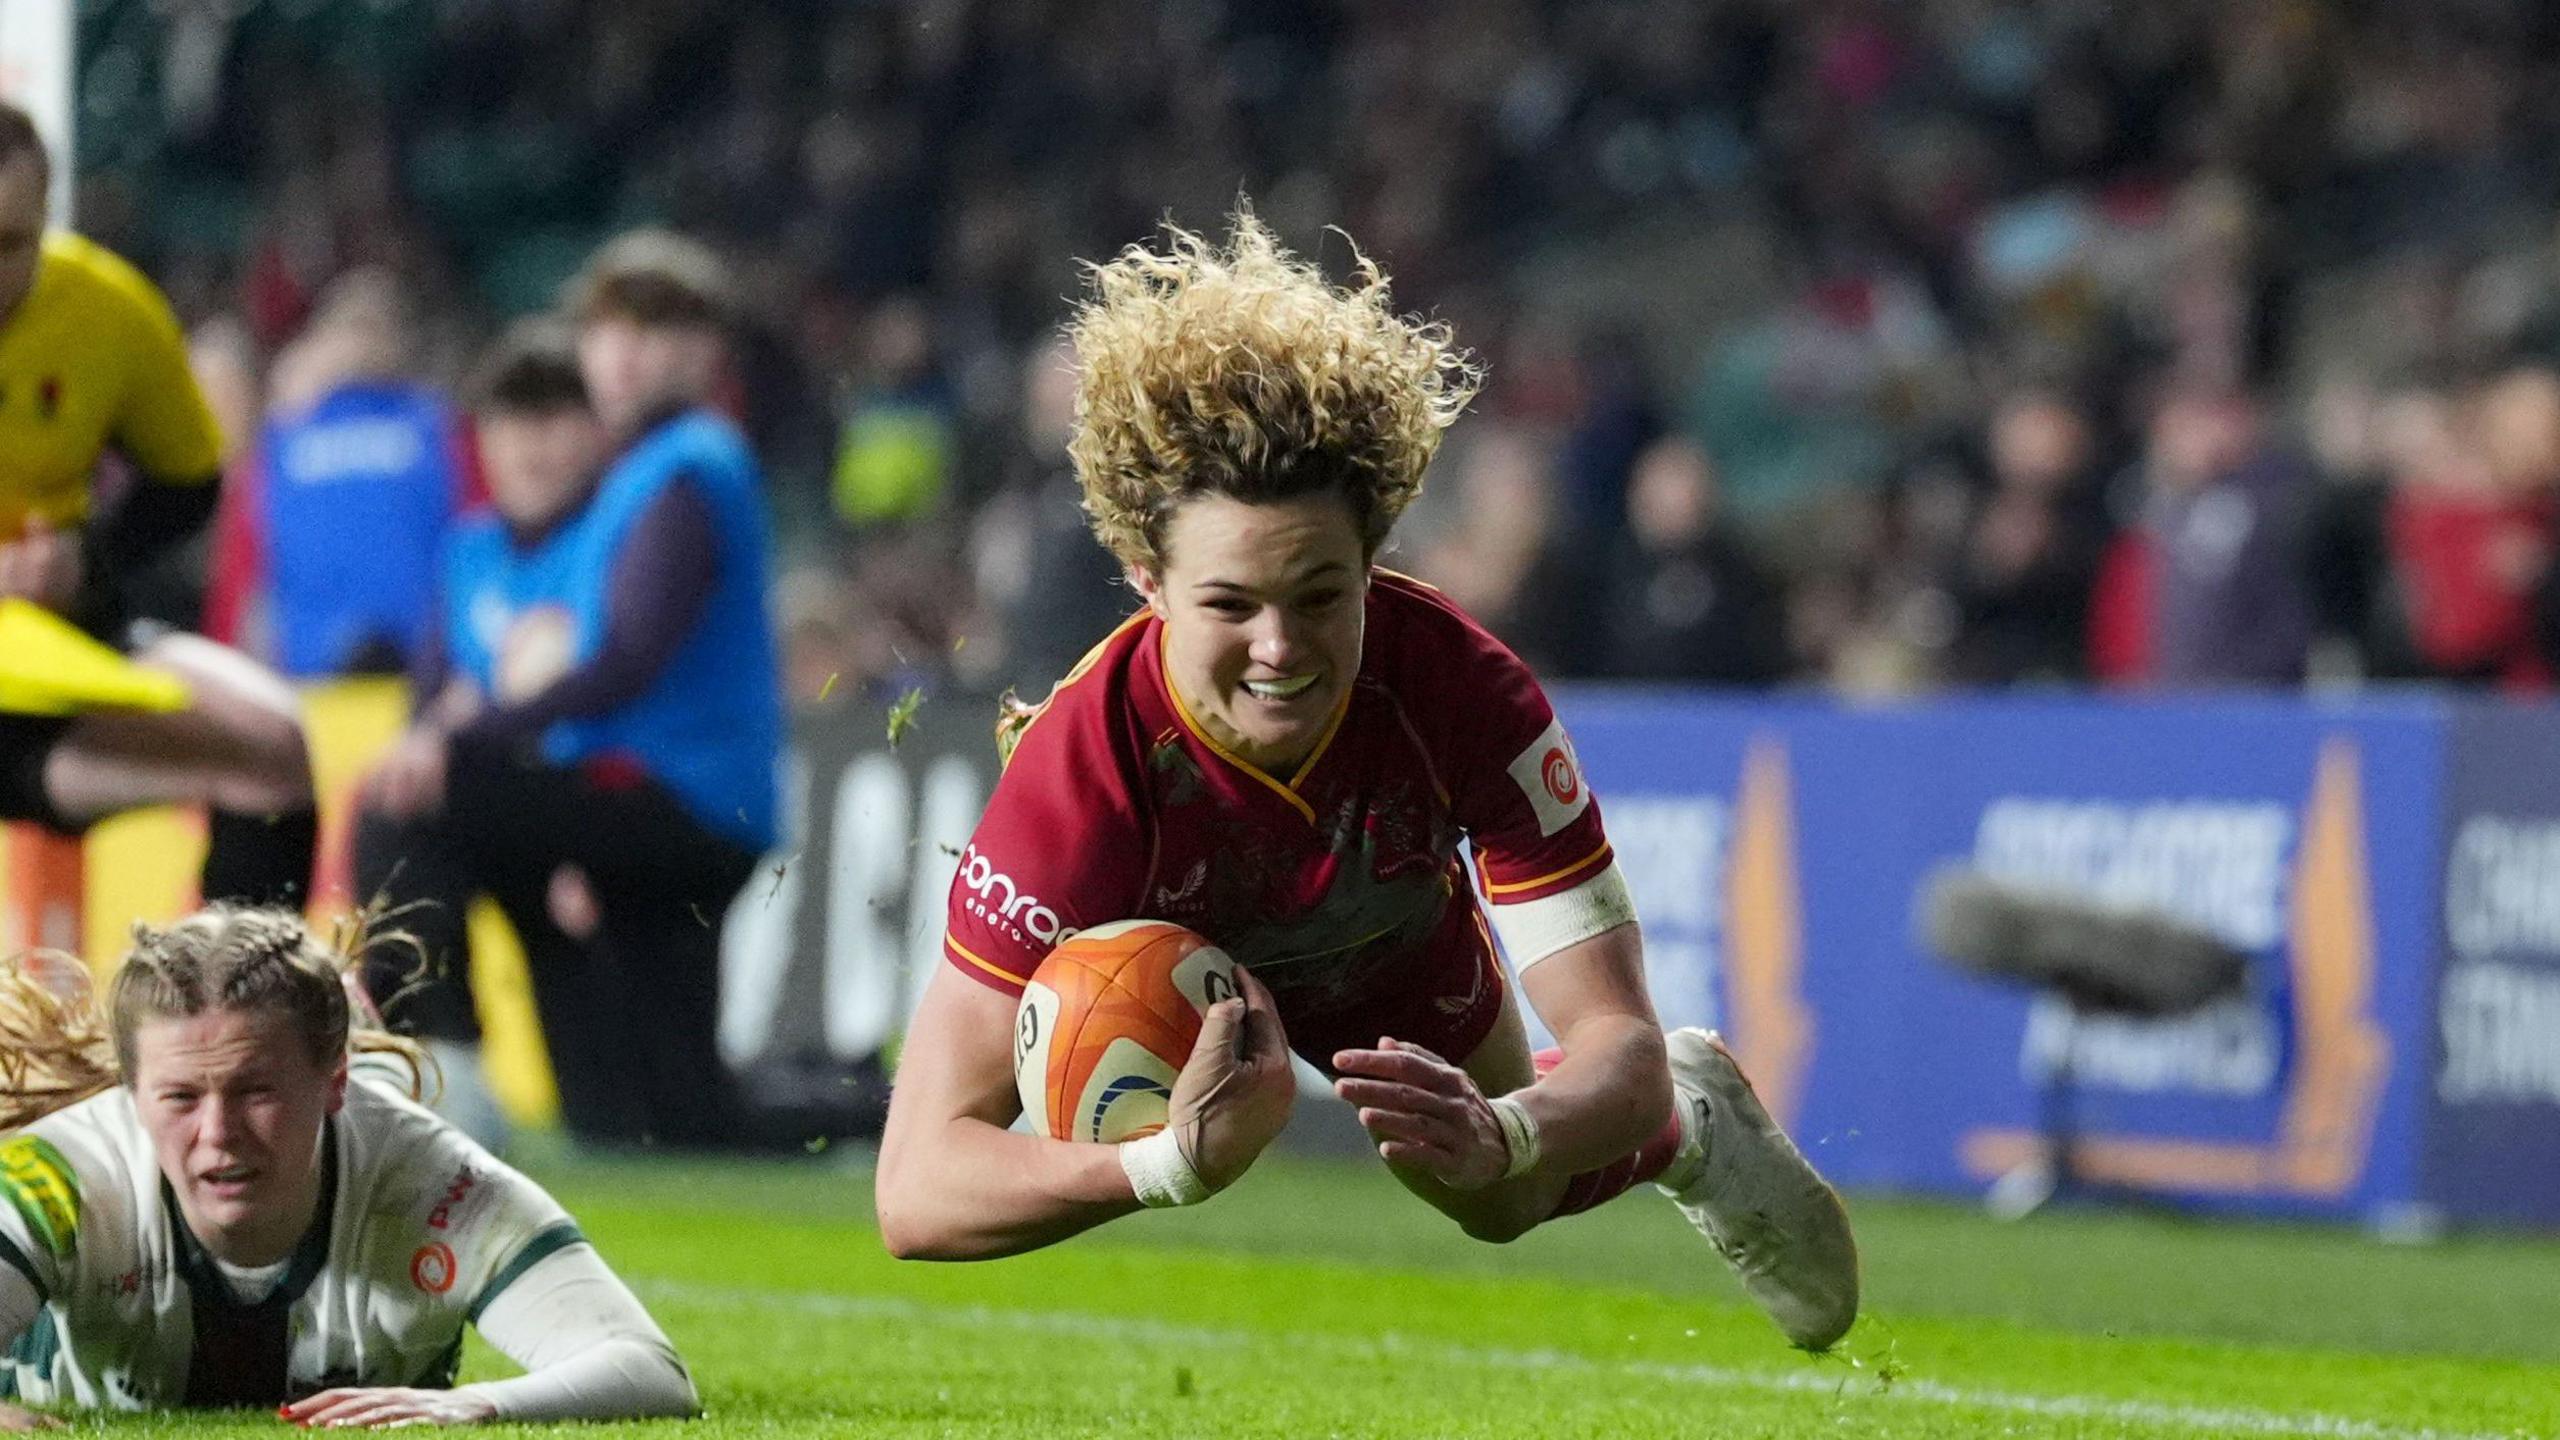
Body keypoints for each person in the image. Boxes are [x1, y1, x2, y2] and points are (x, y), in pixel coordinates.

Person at [876, 213, 1860, 1352]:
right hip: (1191, 967)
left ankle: (1702, 1127)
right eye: (1230, 604)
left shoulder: (1461, 690)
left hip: (1380, 932)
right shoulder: (1082, 774)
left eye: (1319, 595)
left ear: (1374, 560)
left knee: (1499, 1201)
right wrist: (1161, 1165)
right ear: (1147, 580)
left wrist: (1520, 1135)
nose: (1280, 647)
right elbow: (916, 1190)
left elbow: (1617, 1055)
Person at [355, 273, 781, 1152]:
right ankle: (435, 1056)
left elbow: (614, 663)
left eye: (551, 422)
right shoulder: (472, 550)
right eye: (508, 425)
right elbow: (434, 699)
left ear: (591, 432)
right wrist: (454, 726)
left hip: (647, 805)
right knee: (651, 1120)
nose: (529, 448)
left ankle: (441, 1060)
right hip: (585, 822)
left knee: (412, 800)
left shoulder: (631, 510)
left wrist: (470, 725)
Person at [0, 904, 697, 1425]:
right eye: (180, 1096)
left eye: (256, 1091)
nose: (219, 1133)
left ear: (337, 1078)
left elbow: (650, 1369)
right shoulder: (60, 1174)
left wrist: (478, 1406)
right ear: (131, 1096)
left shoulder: (432, 1178)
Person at [0, 100, 315, 909]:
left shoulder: (108, 313)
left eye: (8, 246)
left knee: (274, 748)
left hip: (49, 656)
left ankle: (235, 1017)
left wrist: (83, 558)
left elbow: (188, 485)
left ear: (45, 221)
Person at [206, 268, 480, 678]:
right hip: (420, 688)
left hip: (316, 688)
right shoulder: (444, 432)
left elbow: (238, 590)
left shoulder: (281, 444)